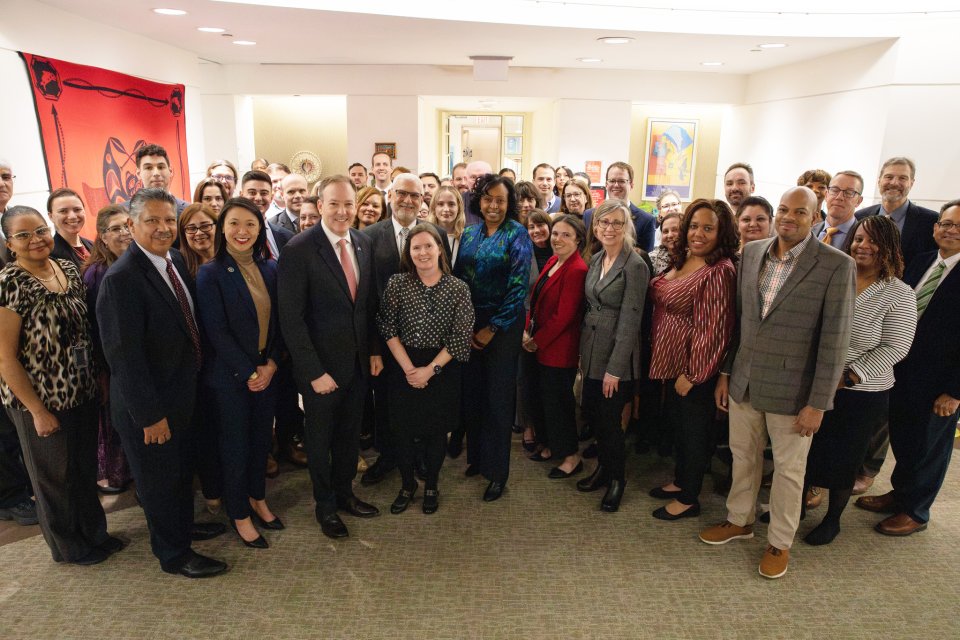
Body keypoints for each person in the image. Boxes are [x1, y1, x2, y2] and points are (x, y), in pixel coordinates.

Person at [701, 186, 854, 580]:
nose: (789, 217)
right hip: (745, 381)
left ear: (816, 217)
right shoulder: (752, 253)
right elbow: (740, 324)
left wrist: (818, 403)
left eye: (800, 212)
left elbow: (835, 342)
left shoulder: (836, 265)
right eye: (784, 209)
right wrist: (727, 373)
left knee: (788, 471)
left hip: (795, 392)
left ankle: (779, 541)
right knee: (743, 457)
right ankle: (739, 520)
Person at [97, 188, 228, 578]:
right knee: (159, 483)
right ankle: (173, 554)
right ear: (131, 224)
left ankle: (182, 528)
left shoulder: (173, 260)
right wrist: (150, 416)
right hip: (150, 409)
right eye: (151, 220)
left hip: (181, 396)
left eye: (169, 219)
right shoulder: (121, 279)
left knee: (179, 474)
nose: (163, 227)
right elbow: (125, 358)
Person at [0, 206, 119, 565]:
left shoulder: (67, 268)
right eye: (23, 235)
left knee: (83, 470)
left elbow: (85, 331)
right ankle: (69, 546)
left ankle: (95, 534)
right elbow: (5, 357)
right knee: (54, 478)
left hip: (81, 390)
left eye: (40, 230)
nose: (35, 239)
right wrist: (37, 410)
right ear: (10, 244)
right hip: (40, 399)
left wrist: (98, 376)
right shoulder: (9, 282)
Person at [277, 175, 383, 540]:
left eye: (348, 204)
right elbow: (291, 319)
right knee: (320, 443)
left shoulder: (364, 242)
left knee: (349, 437)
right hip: (320, 370)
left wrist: (373, 350)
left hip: (357, 365)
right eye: (334, 203)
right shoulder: (299, 249)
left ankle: (345, 494)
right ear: (320, 205)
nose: (342, 211)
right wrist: (313, 371)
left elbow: (367, 306)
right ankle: (325, 506)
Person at [800, 215, 915, 544]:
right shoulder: (837, 276)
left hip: (861, 391)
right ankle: (797, 507)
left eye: (873, 240)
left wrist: (847, 377)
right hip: (816, 380)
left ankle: (833, 519)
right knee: (807, 449)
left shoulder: (899, 293)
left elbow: (896, 347)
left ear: (889, 246)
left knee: (844, 457)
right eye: (859, 238)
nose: (863, 246)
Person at [855, 200, 960, 536]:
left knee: (929, 447)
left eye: (959, 226)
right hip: (903, 371)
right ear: (935, 228)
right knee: (904, 438)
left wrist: (955, 392)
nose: (951, 230)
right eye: (946, 223)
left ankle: (916, 510)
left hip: (941, 383)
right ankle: (900, 494)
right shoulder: (921, 261)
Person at [197, 198, 285, 549]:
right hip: (231, 379)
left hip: (267, 371)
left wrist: (272, 364)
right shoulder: (211, 273)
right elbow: (216, 332)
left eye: (250, 224)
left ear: (260, 229)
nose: (242, 231)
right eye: (233, 223)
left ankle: (257, 497)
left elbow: (279, 323)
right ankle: (239, 513)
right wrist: (250, 373)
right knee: (235, 447)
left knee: (261, 442)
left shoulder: (270, 268)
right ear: (222, 228)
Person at [647, 199, 738, 520]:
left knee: (694, 433)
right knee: (679, 428)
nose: (698, 234)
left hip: (694, 368)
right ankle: (681, 480)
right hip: (671, 362)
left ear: (721, 232)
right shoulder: (685, 257)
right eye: (695, 226)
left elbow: (714, 331)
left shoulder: (719, 271)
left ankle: (689, 499)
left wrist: (695, 374)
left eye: (708, 228)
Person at [377, 225, 474, 514]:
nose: (422, 252)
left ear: (440, 249)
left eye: (428, 246)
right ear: (408, 253)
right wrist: (409, 370)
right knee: (402, 430)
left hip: (442, 366)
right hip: (403, 364)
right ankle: (407, 485)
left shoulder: (458, 288)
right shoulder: (397, 283)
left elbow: (461, 336)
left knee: (436, 431)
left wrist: (429, 371)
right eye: (416, 247)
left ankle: (431, 484)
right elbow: (387, 327)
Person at [454, 173, 533, 502]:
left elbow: (518, 287)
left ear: (509, 203)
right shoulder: (470, 233)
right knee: (472, 395)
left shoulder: (517, 234)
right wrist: (463, 322)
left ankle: (497, 472)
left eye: (500, 200)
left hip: (503, 326)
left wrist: (493, 327)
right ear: (479, 200)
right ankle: (477, 459)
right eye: (488, 199)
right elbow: (459, 278)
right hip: (470, 324)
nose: (494, 206)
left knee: (498, 400)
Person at [576, 200, 649, 512]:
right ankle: (603, 470)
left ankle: (617, 479)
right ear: (595, 227)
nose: (609, 228)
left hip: (616, 358)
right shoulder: (596, 259)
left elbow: (631, 323)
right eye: (604, 222)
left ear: (626, 227)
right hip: (592, 351)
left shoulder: (635, 266)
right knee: (595, 416)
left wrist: (614, 370)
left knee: (610, 423)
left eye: (617, 223)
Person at [521, 214, 588, 478]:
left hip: (559, 350)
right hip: (539, 343)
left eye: (566, 235)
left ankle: (571, 457)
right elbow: (536, 299)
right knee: (543, 401)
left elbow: (564, 316)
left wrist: (537, 340)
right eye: (556, 233)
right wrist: (527, 329)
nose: (558, 239)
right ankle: (549, 445)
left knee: (559, 404)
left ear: (578, 240)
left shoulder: (577, 269)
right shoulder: (553, 260)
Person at [81, 205, 133, 494]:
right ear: (102, 236)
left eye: (127, 226)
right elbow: (95, 327)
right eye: (115, 228)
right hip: (110, 363)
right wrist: (103, 368)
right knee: (115, 422)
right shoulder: (97, 273)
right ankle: (114, 475)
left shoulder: (133, 262)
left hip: (130, 359)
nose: (124, 233)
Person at [0, 161, 37, 528]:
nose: (1, 183)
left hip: (19, 343)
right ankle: (10, 497)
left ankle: (22, 488)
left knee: (13, 427)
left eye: (5, 176)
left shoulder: (13, 220)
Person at [854, 157, 937, 268]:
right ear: (879, 181)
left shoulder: (930, 222)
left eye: (902, 178)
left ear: (911, 183)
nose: (894, 183)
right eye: (889, 177)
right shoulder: (860, 217)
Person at [583, 162, 656, 252]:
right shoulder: (589, 215)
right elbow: (585, 251)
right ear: (606, 184)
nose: (616, 185)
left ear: (631, 185)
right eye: (612, 181)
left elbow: (645, 257)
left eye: (621, 181)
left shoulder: (646, 220)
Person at [132, 144, 189, 215]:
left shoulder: (188, 211)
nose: (156, 173)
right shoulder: (124, 211)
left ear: (171, 171)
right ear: (138, 173)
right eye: (148, 168)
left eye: (161, 167)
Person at [813, 171, 864, 249]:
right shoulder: (808, 232)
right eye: (835, 190)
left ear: (859, 201)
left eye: (849, 192)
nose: (839, 197)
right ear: (826, 195)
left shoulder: (865, 237)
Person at [47, 188, 94, 269]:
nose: (72, 216)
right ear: (51, 216)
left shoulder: (93, 246)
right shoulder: (51, 255)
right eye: (63, 211)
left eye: (77, 210)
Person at [427, 185, 466, 267]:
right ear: (434, 207)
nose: (446, 209)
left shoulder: (467, 237)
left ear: (459, 208)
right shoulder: (425, 236)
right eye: (440, 204)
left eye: (451, 204)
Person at [177, 204, 218, 279]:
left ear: (217, 227)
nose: (199, 233)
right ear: (183, 234)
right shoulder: (179, 267)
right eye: (191, 228)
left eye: (205, 226)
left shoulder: (234, 258)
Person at [649, 211, 681, 276]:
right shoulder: (652, 259)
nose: (670, 235)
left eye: (675, 230)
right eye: (665, 231)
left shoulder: (694, 258)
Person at [526, 210, 553, 274]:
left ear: (549, 226)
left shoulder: (560, 247)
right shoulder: (524, 252)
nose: (536, 230)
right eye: (531, 227)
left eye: (540, 225)